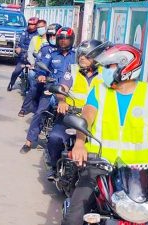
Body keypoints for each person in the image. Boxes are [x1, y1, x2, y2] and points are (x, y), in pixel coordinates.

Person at [63, 43, 148, 225]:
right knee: (73, 219)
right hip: (100, 167)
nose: (103, 71)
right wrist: (80, 143)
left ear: (125, 67)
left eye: (108, 67)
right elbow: (87, 117)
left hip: (143, 172)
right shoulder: (99, 91)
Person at [45, 39, 104, 181]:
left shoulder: (105, 74)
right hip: (71, 116)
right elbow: (63, 88)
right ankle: (54, 167)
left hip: (94, 120)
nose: (82, 58)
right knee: (55, 138)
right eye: (80, 55)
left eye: (87, 55)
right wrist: (62, 100)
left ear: (97, 57)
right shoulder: (72, 70)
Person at [20, 27, 76, 154]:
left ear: (71, 40)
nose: (63, 41)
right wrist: (41, 75)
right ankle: (29, 141)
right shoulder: (51, 53)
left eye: (66, 39)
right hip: (51, 89)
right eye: (61, 39)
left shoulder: (76, 56)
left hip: (70, 92)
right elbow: (42, 68)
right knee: (40, 112)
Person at [18, 19, 49, 117]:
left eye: (42, 27)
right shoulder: (35, 39)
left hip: (47, 69)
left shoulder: (51, 42)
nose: (40, 29)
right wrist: (32, 63)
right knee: (34, 86)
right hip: (36, 66)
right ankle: (24, 108)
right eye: (38, 27)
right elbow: (30, 52)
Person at [7, 17, 38, 91]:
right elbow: (20, 42)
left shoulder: (38, 35)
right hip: (23, 55)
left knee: (33, 74)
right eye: (29, 24)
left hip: (33, 57)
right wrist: (18, 48)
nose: (30, 26)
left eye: (33, 24)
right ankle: (11, 83)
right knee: (16, 71)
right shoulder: (25, 31)